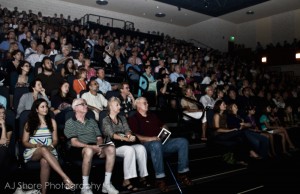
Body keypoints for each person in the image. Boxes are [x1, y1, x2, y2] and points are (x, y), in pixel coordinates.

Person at [128, 97, 193, 193]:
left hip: (161, 142)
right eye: (144, 103)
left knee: (183, 141)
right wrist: (151, 139)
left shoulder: (152, 115)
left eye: (147, 103)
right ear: (138, 105)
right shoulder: (133, 118)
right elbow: (135, 135)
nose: (147, 104)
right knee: (156, 144)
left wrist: (165, 129)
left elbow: (163, 125)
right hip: (147, 145)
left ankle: (182, 173)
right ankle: (160, 179)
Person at [64, 98, 119, 194]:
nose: (86, 106)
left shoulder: (92, 121)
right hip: (78, 149)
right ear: (75, 108)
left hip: (94, 147)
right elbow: (74, 142)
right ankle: (85, 187)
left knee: (111, 148)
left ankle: (106, 184)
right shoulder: (70, 122)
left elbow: (99, 138)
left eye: (86, 104)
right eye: (83, 104)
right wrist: (91, 147)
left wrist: (100, 146)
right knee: (88, 150)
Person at [22, 99, 74, 194]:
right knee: (42, 149)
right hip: (34, 151)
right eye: (42, 107)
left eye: (46, 106)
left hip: (49, 150)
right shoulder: (29, 123)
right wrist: (35, 145)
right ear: (37, 109)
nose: (45, 109)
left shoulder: (52, 122)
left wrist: (50, 146)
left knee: (45, 161)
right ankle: (65, 177)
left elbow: (55, 140)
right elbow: (24, 142)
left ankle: (43, 192)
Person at [102, 97, 150, 192]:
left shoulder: (122, 118)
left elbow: (127, 130)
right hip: (113, 145)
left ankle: (142, 176)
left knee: (141, 148)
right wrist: (126, 139)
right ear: (111, 107)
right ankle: (127, 180)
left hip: (124, 143)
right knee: (129, 150)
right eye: (117, 105)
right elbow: (111, 134)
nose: (120, 106)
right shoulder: (105, 120)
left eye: (119, 104)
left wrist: (129, 136)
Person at [0, 105, 12, 177]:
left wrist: (3, 126)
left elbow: (5, 143)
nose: (2, 115)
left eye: (3, 113)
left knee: (3, 149)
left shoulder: (9, 127)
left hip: (4, 151)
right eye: (0, 113)